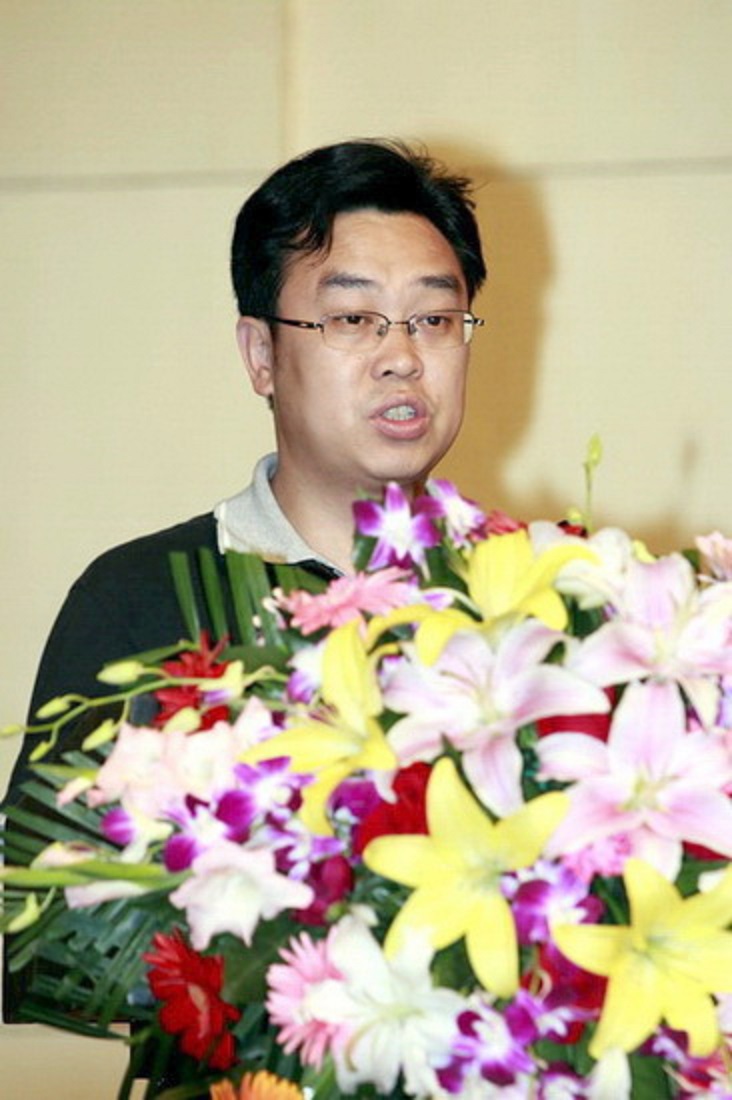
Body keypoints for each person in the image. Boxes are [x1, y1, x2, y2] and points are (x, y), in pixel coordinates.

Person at [1, 137, 487, 1022]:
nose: (403, 356)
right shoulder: (139, 598)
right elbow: (34, 944)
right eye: (353, 319)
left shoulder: (529, 604)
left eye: (434, 317)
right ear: (261, 354)